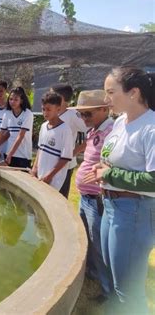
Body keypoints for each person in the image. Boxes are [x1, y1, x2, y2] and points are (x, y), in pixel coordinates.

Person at [83, 67, 155, 313]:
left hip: (133, 212)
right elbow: (112, 156)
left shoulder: (151, 128)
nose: (106, 99)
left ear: (134, 93)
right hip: (112, 207)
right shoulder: (120, 122)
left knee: (128, 289)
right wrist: (105, 168)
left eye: (111, 92)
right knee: (115, 281)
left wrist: (111, 174)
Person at [70, 90, 113, 300]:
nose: (84, 119)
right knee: (86, 239)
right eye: (81, 114)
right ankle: (92, 273)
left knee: (99, 245)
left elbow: (111, 164)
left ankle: (107, 289)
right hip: (85, 197)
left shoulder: (112, 132)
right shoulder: (94, 130)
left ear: (104, 109)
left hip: (97, 199)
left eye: (88, 114)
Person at [51, 84, 88, 198]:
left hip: (65, 165)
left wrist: (73, 152)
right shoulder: (52, 112)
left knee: (60, 198)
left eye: (52, 94)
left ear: (60, 97)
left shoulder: (73, 115)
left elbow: (92, 133)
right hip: (50, 162)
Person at [31, 92, 73, 191]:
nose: (45, 112)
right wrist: (34, 168)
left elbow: (65, 158)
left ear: (58, 109)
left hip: (54, 180)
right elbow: (40, 150)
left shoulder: (65, 130)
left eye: (49, 109)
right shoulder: (43, 126)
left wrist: (49, 176)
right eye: (43, 109)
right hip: (40, 175)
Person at [0, 87, 33, 168]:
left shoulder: (28, 114)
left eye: (16, 99)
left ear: (22, 100)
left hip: (23, 156)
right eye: (11, 99)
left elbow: (20, 136)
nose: (12, 102)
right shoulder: (7, 114)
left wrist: (9, 155)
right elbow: (0, 134)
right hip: (9, 155)